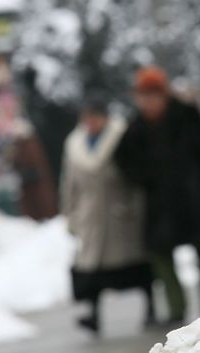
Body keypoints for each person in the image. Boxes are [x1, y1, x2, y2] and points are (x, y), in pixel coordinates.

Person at [115, 67, 200, 322]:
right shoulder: (136, 127)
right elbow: (122, 159)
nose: (148, 102)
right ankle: (176, 309)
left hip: (194, 199)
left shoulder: (188, 116)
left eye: (152, 96)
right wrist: (143, 177)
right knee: (161, 255)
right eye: (143, 96)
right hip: (160, 204)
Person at [61, 96, 154, 334]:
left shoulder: (121, 136)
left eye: (95, 117)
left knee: (136, 267)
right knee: (92, 272)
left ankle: (150, 308)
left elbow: (135, 173)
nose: (91, 122)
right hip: (90, 215)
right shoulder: (75, 144)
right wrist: (70, 214)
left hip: (120, 212)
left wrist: (134, 206)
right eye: (87, 118)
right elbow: (69, 183)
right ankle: (93, 315)